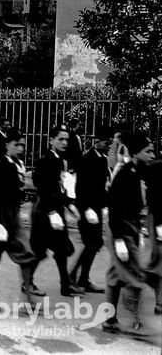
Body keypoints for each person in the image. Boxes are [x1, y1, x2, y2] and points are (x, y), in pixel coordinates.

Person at [0, 129, 40, 310]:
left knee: (26, 254)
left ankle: (28, 298)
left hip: (14, 217)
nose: (20, 148)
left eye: (22, 145)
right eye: (16, 144)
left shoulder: (19, 164)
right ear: (7, 145)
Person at [102, 133, 155, 333]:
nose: (151, 154)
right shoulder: (125, 173)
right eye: (147, 151)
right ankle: (139, 322)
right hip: (120, 228)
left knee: (116, 276)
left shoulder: (140, 171)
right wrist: (118, 240)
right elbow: (113, 207)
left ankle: (110, 320)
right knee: (136, 274)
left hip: (131, 228)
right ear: (136, 153)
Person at [30, 125, 83, 297]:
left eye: (66, 139)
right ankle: (27, 281)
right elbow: (42, 188)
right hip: (45, 212)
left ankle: (65, 285)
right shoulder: (45, 160)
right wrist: (52, 212)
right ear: (51, 140)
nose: (64, 142)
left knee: (61, 250)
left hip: (55, 210)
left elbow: (59, 188)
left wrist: (69, 204)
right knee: (40, 251)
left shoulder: (60, 159)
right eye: (60, 139)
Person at [68, 131, 110, 293]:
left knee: (95, 243)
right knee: (92, 243)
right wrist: (86, 209)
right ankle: (75, 276)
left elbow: (101, 186)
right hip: (87, 209)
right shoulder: (88, 159)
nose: (108, 146)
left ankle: (82, 278)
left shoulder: (102, 158)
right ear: (97, 141)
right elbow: (81, 187)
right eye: (106, 143)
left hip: (97, 208)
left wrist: (105, 205)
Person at [145, 153, 162, 315]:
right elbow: (153, 197)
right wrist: (158, 224)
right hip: (158, 217)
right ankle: (160, 302)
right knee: (160, 259)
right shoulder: (156, 168)